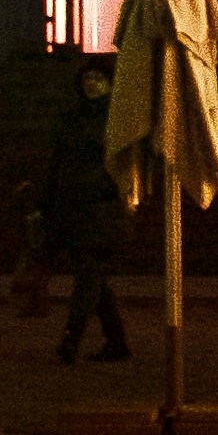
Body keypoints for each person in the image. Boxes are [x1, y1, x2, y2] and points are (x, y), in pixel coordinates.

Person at [38, 54, 132, 364]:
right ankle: (116, 340)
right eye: (88, 79)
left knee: (88, 275)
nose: (92, 84)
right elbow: (58, 161)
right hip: (74, 207)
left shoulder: (117, 121)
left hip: (101, 207)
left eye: (99, 80)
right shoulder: (73, 116)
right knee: (93, 278)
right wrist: (46, 200)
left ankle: (71, 336)